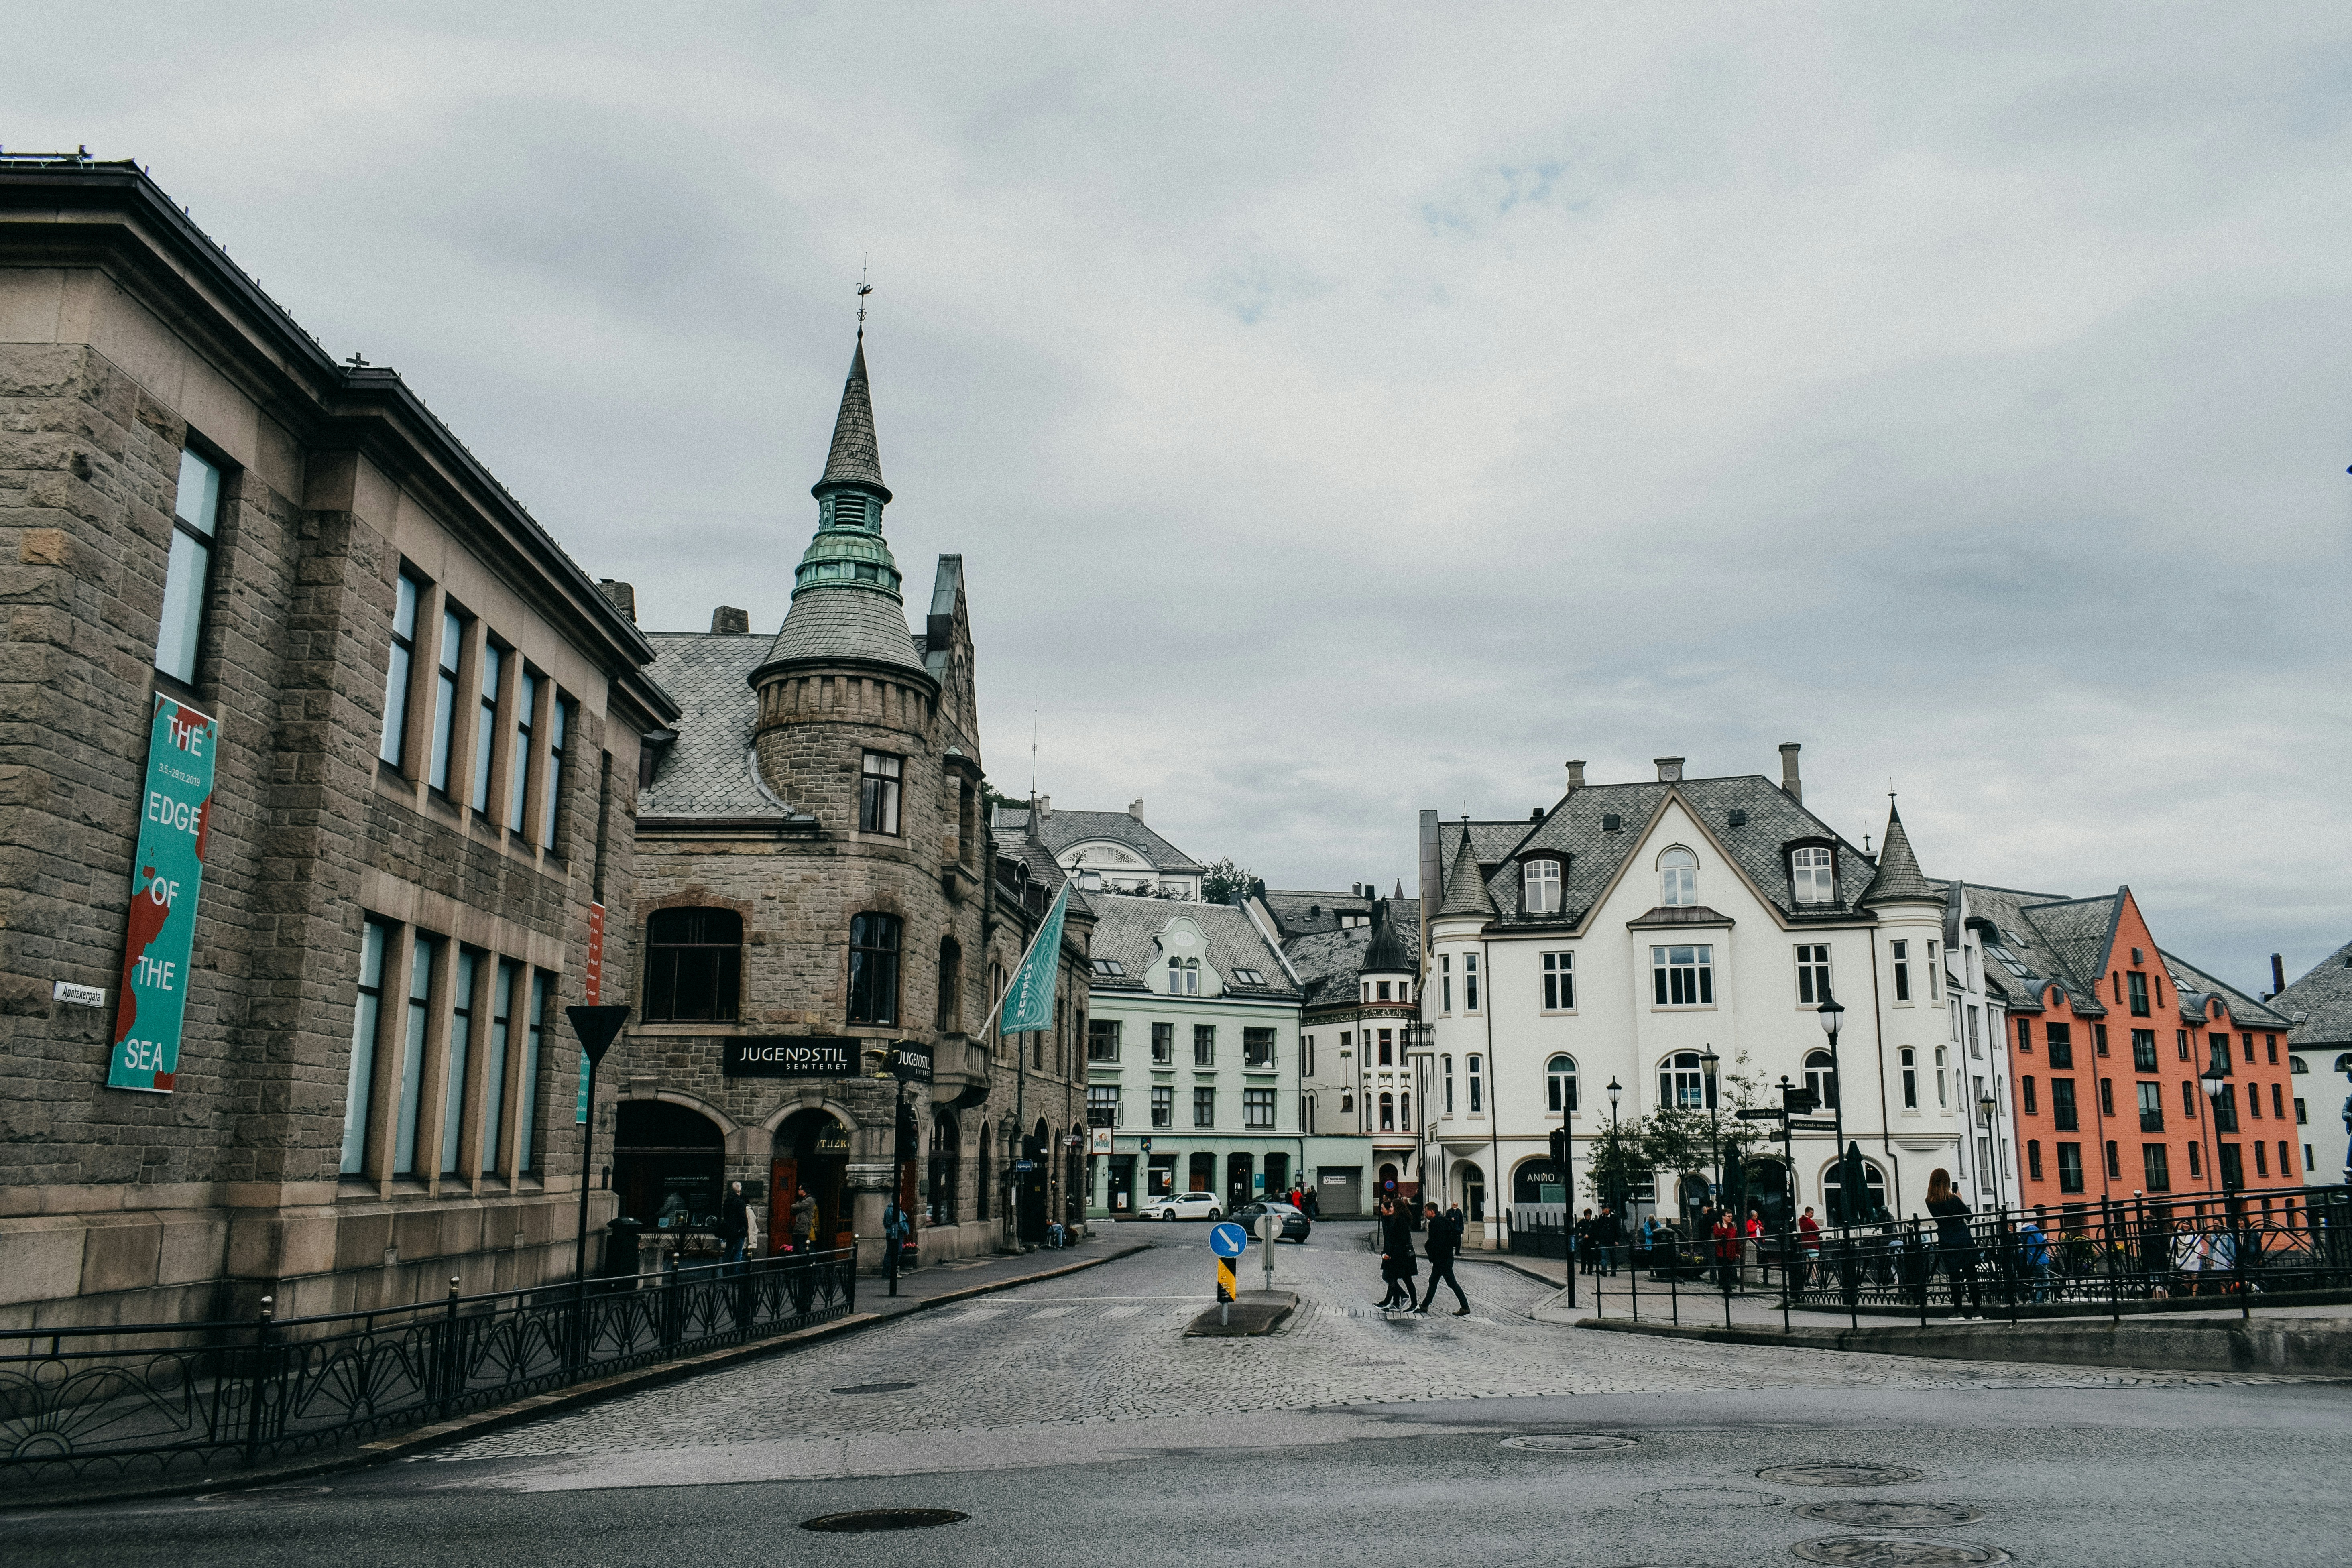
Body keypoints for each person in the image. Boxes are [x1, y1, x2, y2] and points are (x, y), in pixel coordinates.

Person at [1924, 1168, 1980, 1316]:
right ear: (1947, 1182)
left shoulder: (1930, 1202)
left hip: (1947, 1240)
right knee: (1971, 1275)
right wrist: (1960, 1200)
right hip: (1963, 1238)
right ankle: (1977, 1311)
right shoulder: (1953, 1199)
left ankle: (1958, 1312)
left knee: (1954, 1277)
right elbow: (1969, 1217)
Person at [1414, 1201, 1470, 1315]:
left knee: (1451, 1283)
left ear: (1432, 1211)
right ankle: (1425, 1305)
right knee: (1433, 1281)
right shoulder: (1444, 1220)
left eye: (1426, 1212)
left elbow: (1435, 1242)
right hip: (1445, 1257)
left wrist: (1430, 1249)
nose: (1425, 1214)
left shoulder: (1435, 1223)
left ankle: (1465, 1307)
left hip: (1442, 1259)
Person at [1375, 1197, 1418, 1309]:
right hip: (1400, 1255)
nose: (1391, 1209)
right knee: (1399, 1279)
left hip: (1400, 1256)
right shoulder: (1399, 1220)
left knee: (1393, 1277)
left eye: (1393, 1207)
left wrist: (1389, 1254)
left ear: (1397, 1208)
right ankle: (1397, 1303)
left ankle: (1406, 1301)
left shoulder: (1399, 1222)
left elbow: (1396, 1240)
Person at [2019, 1207, 2051, 1303]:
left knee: (2037, 1281)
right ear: (2031, 1219)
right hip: (2040, 1258)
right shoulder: (2033, 1228)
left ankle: (2037, 1300)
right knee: (2045, 1281)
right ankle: (2041, 1300)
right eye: (2035, 1219)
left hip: (2031, 1259)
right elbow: (2043, 1242)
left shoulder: (2023, 1230)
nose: (2036, 1222)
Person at [881, 1196, 911, 1294]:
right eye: (901, 1197)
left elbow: (885, 1223)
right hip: (897, 1234)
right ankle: (894, 1272)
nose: (902, 1199)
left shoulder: (888, 1210)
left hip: (889, 1233)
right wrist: (904, 1230)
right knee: (896, 1253)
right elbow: (901, 1223)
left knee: (889, 1252)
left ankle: (886, 1272)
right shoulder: (896, 1210)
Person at [719, 1180, 750, 1265]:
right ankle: (735, 1273)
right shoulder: (740, 1202)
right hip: (739, 1231)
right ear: (739, 1190)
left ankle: (726, 1271)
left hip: (730, 1230)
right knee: (738, 1251)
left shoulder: (727, 1201)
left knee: (728, 1250)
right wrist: (745, 1229)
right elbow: (743, 1217)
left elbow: (725, 1215)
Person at [1796, 1206, 1822, 1293]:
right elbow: (1817, 1231)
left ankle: (1807, 1280)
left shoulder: (1801, 1221)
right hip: (1813, 1244)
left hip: (1805, 1244)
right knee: (1814, 1263)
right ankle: (1814, 1280)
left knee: (1807, 1263)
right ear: (1807, 1213)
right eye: (1812, 1213)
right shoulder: (1810, 1222)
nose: (1813, 1215)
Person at [791, 1184, 818, 1255]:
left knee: (802, 1249)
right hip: (798, 1228)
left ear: (804, 1191)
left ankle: (806, 1264)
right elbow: (794, 1211)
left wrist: (794, 1206)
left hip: (804, 1228)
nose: (798, 1191)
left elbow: (798, 1207)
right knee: (797, 1249)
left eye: (800, 1189)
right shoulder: (802, 1200)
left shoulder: (809, 1200)